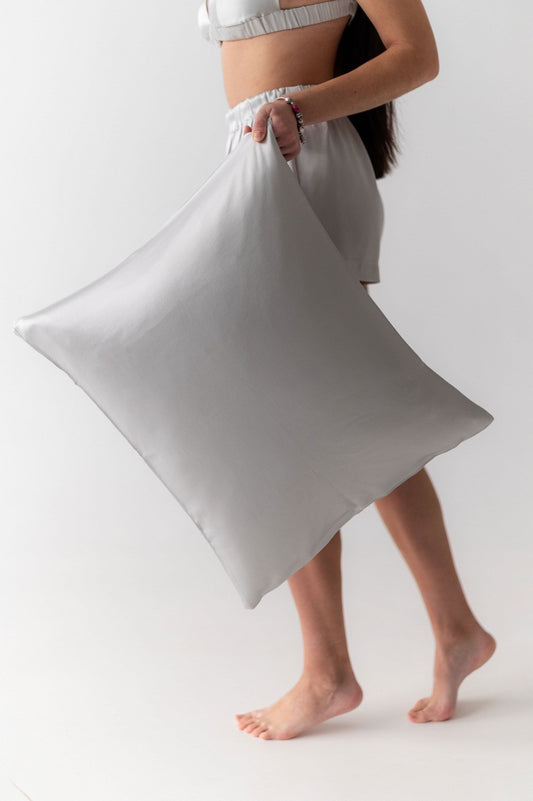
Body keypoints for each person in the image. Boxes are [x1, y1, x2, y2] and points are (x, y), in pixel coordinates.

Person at [198, 0, 496, 740]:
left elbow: (415, 54)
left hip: (302, 158)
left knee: (300, 423)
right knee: (348, 413)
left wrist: (299, 108)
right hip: (259, 158)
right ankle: (450, 629)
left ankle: (330, 671)